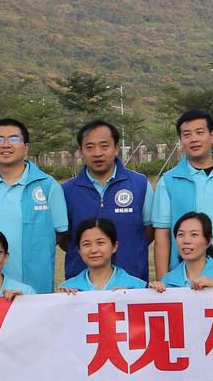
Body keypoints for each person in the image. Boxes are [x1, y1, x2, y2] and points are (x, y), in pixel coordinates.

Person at [0, 118, 70, 294]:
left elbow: (60, 234)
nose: (6, 144)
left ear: (26, 148)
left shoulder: (48, 186)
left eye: (14, 139)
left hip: (33, 289)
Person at [146, 110, 213, 276]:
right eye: (187, 135)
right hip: (185, 281)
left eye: (199, 132)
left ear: (212, 136)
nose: (194, 139)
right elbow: (162, 235)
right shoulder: (168, 182)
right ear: (181, 140)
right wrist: (163, 281)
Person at [62, 120, 150, 283]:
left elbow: (149, 231)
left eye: (104, 146)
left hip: (131, 282)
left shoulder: (140, 184)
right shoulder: (66, 191)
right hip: (81, 287)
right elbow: (64, 238)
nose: (97, 153)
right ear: (81, 152)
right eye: (89, 147)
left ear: (116, 148)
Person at [58, 217, 148, 292]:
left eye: (100, 243)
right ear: (79, 250)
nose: (93, 250)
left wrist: (154, 291)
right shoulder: (68, 288)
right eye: (86, 244)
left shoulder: (138, 287)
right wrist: (65, 299)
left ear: (114, 246)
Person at [154, 212, 213, 291]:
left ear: (208, 241)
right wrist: (154, 293)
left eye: (194, 234)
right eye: (181, 234)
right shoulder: (167, 281)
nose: (186, 241)